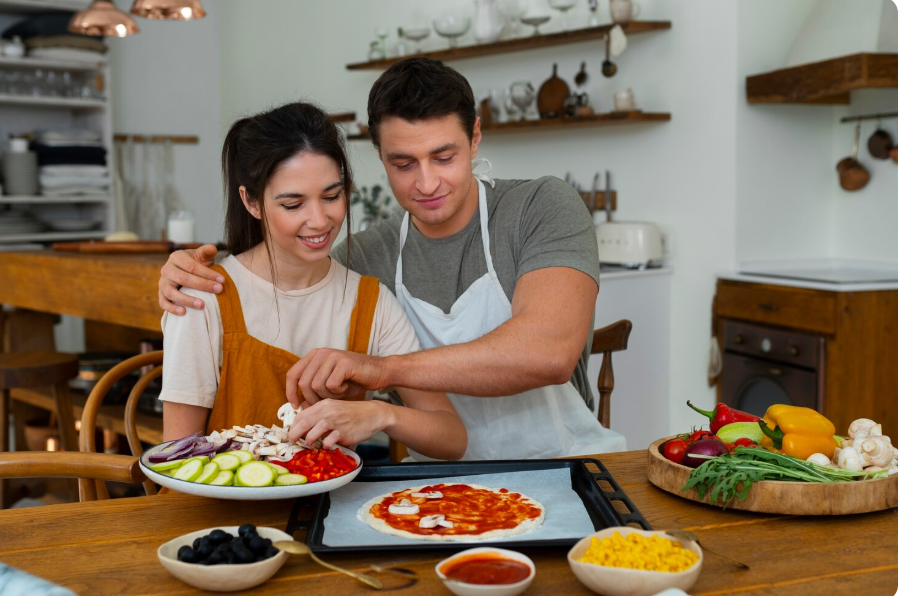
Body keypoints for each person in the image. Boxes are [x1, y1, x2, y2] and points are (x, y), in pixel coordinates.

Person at [158, 58, 625, 460]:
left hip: (566, 466)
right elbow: (289, 274)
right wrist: (183, 275)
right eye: (403, 164)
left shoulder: (541, 206)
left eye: (444, 157)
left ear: (475, 138)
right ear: (379, 156)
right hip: (436, 491)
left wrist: (381, 374)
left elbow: (548, 354)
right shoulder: (363, 257)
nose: (426, 183)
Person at [158, 101, 466, 461]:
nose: (319, 220)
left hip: (335, 496)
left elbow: (452, 438)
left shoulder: (372, 303)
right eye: (293, 204)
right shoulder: (204, 298)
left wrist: (381, 415)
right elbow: (176, 457)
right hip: (222, 499)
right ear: (252, 202)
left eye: (332, 196)